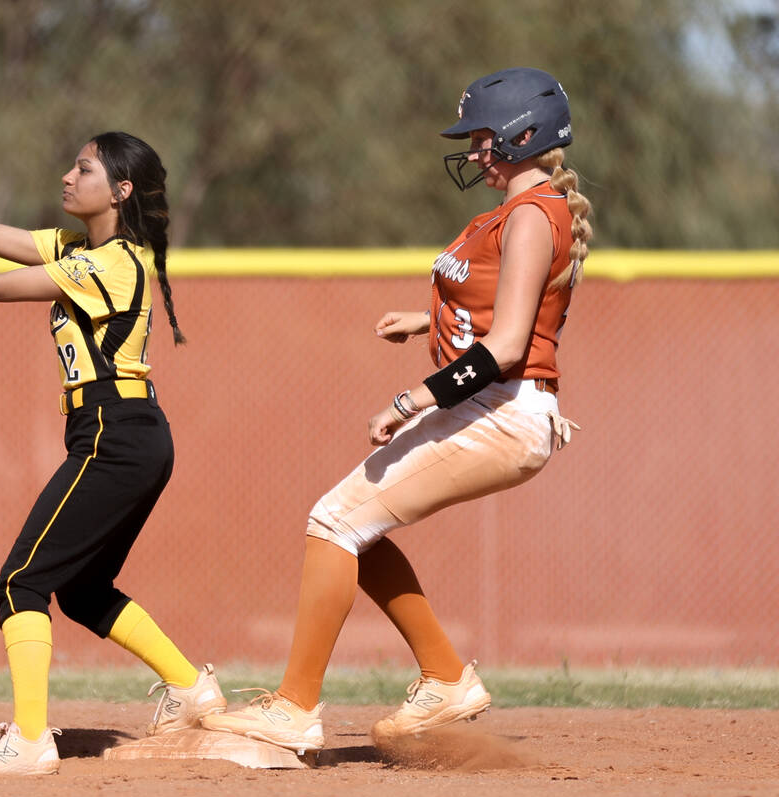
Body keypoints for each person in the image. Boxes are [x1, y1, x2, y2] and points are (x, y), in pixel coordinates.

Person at [201, 67, 592, 754]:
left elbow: (505, 347)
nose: (473, 152)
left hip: (503, 409)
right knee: (357, 528)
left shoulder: (532, 214)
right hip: (492, 403)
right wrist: (425, 320)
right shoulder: (520, 212)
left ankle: (294, 708)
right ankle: (443, 678)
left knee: (332, 521)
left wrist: (410, 397)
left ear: (522, 134)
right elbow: (504, 317)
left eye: (481, 137)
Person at [0, 98, 226, 776]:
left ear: (120, 191)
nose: (69, 176)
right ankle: (192, 689)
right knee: (83, 588)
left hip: (114, 433)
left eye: (85, 168)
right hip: (123, 434)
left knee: (19, 584)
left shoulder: (116, 263)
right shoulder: (77, 248)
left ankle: (30, 742)